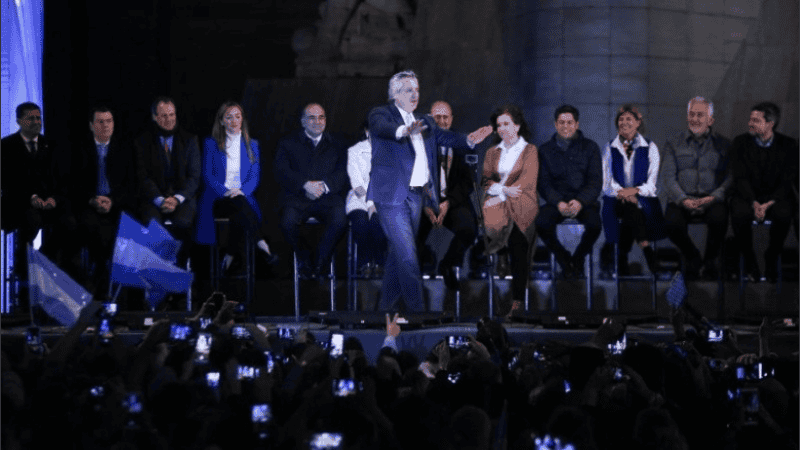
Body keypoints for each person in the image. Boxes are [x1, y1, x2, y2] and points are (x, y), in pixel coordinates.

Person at [367, 70, 492, 312]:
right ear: (395, 94)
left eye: (417, 90)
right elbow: (382, 128)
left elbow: (447, 138)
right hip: (391, 196)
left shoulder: (426, 121)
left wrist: (469, 139)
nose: (415, 94)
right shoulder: (381, 114)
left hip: (416, 196)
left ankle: (384, 311)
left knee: (397, 256)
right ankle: (418, 312)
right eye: (408, 90)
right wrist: (405, 131)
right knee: (408, 255)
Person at [195, 101, 277, 275]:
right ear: (221, 121)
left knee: (240, 209)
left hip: (242, 197)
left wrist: (242, 191)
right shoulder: (211, 144)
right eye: (229, 117)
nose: (234, 121)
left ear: (242, 119)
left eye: (237, 117)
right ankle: (262, 244)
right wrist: (226, 191)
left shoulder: (252, 144)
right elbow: (208, 176)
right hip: (218, 198)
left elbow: (254, 177)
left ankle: (230, 254)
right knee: (241, 208)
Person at [660, 97, 732, 280]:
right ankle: (693, 257)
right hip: (682, 199)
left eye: (700, 115)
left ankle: (710, 261)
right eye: (691, 114)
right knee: (671, 223)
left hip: (711, 199)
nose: (694, 119)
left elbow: (730, 178)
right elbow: (668, 177)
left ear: (711, 120)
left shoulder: (724, 145)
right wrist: (683, 199)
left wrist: (714, 197)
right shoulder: (673, 143)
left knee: (720, 218)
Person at [274, 103, 348, 279]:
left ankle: (320, 262)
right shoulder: (288, 144)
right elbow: (281, 171)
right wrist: (304, 184)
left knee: (340, 220)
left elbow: (343, 171)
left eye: (321, 117)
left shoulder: (337, 144)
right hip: (298, 198)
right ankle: (304, 258)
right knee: (287, 222)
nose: (317, 121)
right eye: (312, 118)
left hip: (328, 198)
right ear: (303, 121)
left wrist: (324, 186)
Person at [730, 102, 799, 283]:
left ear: (770, 124)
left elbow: (787, 180)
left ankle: (772, 256)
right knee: (738, 213)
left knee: (784, 213)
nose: (750, 123)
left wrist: (769, 203)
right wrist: (754, 202)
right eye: (750, 119)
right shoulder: (740, 143)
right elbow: (740, 177)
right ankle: (750, 260)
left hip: (776, 197)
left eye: (756, 120)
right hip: (748, 196)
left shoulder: (789, 145)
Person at [72, 106, 137, 296]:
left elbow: (132, 184)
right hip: (89, 204)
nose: (105, 125)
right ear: (91, 126)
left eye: (109, 121)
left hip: (117, 204)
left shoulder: (124, 149)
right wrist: (93, 200)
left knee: (125, 230)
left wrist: (112, 201)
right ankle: (98, 287)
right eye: (100, 122)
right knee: (91, 230)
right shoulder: (80, 149)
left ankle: (120, 293)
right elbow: (73, 183)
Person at [482, 104, 539, 313]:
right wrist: (504, 190)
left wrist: (500, 193)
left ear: (517, 125)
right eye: (499, 125)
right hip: (498, 202)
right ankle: (502, 251)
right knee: (498, 225)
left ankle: (517, 299)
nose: (502, 129)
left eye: (506, 124)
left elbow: (526, 182)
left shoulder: (530, 150)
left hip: (523, 201)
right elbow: (486, 181)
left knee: (518, 241)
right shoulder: (491, 152)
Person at [417, 100, 480, 289]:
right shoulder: (417, 143)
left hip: (452, 201)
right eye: (437, 117)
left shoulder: (464, 144)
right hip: (424, 201)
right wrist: (426, 204)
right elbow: (410, 180)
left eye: (445, 117)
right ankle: (413, 278)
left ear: (451, 119)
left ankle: (448, 264)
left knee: (469, 228)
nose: (442, 121)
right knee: (409, 233)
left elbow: (468, 182)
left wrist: (448, 202)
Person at [535, 104, 602, 279]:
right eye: (561, 122)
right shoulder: (545, 150)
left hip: (584, 202)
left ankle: (578, 259)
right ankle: (564, 259)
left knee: (595, 225)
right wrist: (558, 202)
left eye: (570, 122)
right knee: (541, 222)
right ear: (555, 124)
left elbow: (595, 181)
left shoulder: (590, 147)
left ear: (577, 124)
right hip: (556, 202)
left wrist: (580, 201)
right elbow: (543, 183)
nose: (565, 126)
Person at [134, 97, 201, 266]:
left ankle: (180, 270)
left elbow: (194, 177)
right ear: (154, 117)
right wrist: (160, 200)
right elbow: (143, 177)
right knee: (152, 226)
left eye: (172, 115)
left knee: (183, 225)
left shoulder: (190, 140)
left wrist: (176, 199)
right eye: (164, 115)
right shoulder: (142, 142)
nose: (169, 119)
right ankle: (156, 271)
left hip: (182, 199)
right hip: (153, 199)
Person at [601, 104, 664, 275]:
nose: (624, 122)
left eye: (629, 119)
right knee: (629, 209)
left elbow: (652, 185)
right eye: (621, 119)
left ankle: (621, 257)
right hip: (616, 199)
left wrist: (634, 191)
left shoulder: (650, 147)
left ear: (638, 122)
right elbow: (607, 183)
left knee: (632, 211)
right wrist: (624, 193)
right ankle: (647, 250)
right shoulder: (609, 148)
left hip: (642, 199)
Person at [345, 121, 387, 278]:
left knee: (378, 223)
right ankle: (365, 262)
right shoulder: (354, 151)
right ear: (367, 131)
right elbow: (357, 184)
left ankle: (380, 263)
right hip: (359, 199)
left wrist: (375, 204)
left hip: (383, 200)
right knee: (361, 223)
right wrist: (369, 204)